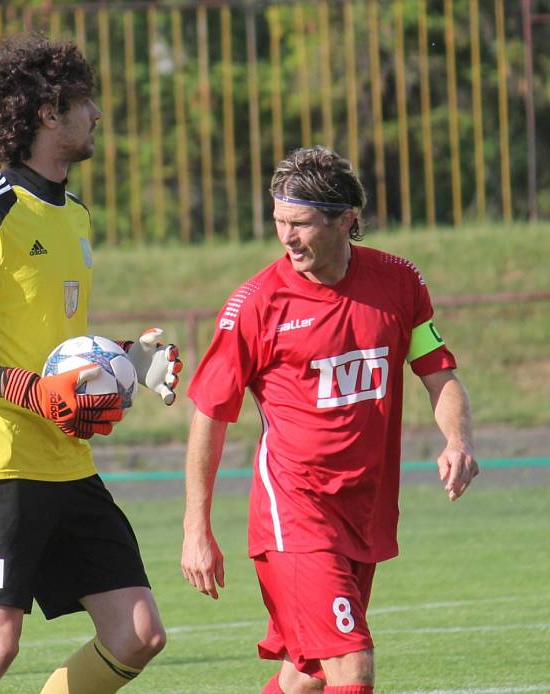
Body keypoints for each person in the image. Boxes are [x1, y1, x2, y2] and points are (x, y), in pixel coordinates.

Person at [0, 35, 181, 694]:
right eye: (85, 102)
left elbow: (59, 346)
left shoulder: (76, 216)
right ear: (47, 113)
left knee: (137, 633)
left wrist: (130, 360)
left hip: (65, 458)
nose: (97, 116)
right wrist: (27, 389)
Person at [180, 146, 479, 694]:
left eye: (301, 223)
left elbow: (439, 372)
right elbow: (210, 415)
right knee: (351, 668)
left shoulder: (399, 283)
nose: (287, 238)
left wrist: (457, 440)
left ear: (346, 220)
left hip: (363, 510)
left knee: (305, 677)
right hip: (295, 514)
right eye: (278, 222)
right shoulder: (256, 303)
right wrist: (195, 529)